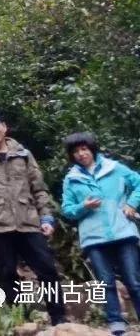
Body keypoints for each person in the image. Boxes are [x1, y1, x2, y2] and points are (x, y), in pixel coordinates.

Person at [0, 110, 66, 325]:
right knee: (7, 272)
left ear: (4, 126)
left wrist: (46, 217)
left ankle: (59, 319)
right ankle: (21, 320)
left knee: (47, 269)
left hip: (28, 223)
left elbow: (39, 188)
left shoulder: (23, 154)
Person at [60, 132, 140, 336]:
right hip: (93, 238)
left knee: (133, 280)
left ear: (92, 149)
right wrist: (84, 206)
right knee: (105, 282)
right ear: (71, 155)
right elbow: (67, 210)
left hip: (123, 231)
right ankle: (115, 321)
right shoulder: (71, 179)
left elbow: (138, 183)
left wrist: (132, 204)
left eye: (84, 149)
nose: (81, 154)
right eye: (76, 151)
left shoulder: (115, 168)